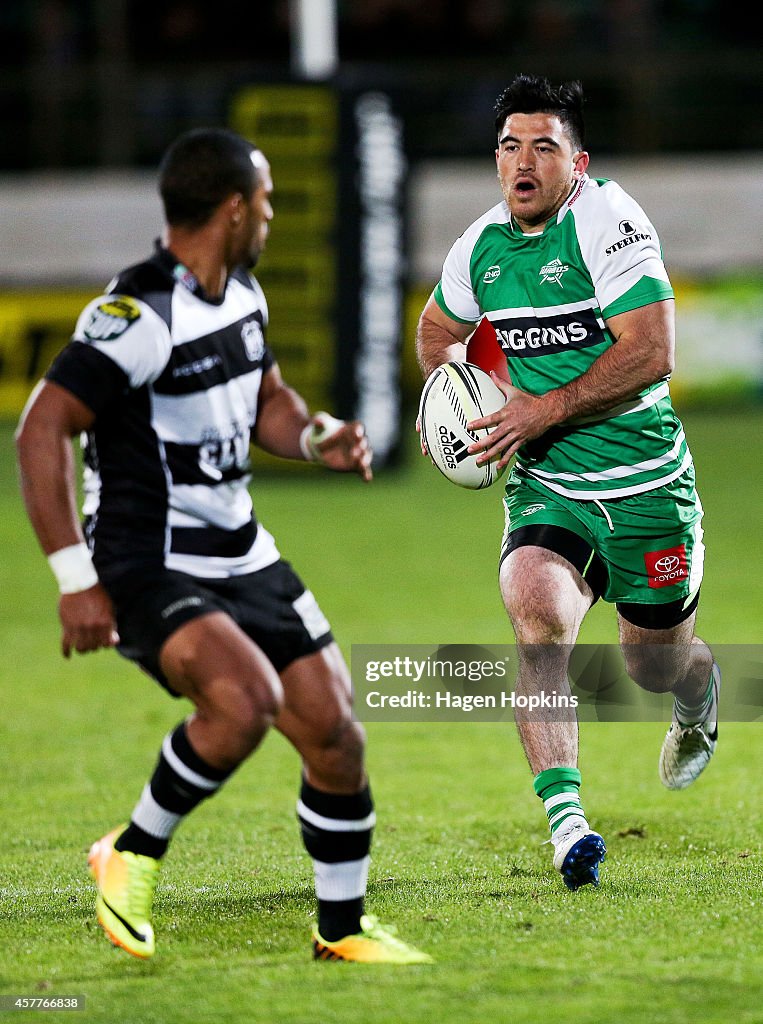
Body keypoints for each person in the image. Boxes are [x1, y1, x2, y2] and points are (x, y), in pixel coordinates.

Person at [16, 128, 430, 964]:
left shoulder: (241, 291)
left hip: (241, 550)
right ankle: (128, 853)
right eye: (267, 201)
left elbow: (267, 396)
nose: (271, 216)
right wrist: (74, 579)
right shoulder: (135, 313)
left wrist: (315, 438)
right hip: (146, 558)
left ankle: (341, 932)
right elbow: (41, 427)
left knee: (335, 733)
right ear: (234, 209)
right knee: (242, 703)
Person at [416, 75, 719, 890]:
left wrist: (540, 407)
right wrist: (460, 402)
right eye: (510, 146)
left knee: (650, 666)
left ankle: (696, 688)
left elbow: (652, 349)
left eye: (542, 146)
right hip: (550, 487)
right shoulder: (477, 247)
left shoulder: (608, 222)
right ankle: (567, 825)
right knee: (537, 618)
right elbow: (435, 330)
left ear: (575, 161)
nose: (523, 161)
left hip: (646, 480)